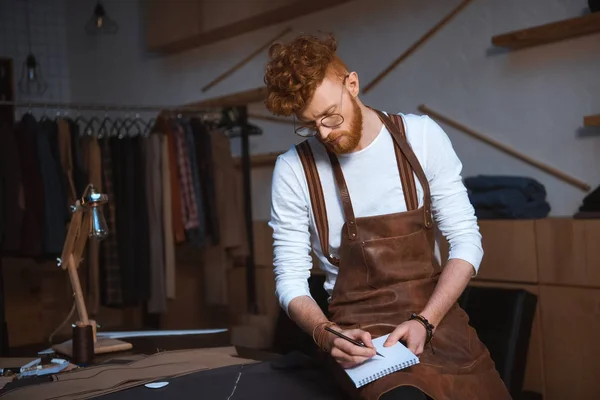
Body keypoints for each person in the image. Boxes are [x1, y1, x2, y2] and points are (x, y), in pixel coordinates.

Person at [264, 33, 512, 400]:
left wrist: (425, 321)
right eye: (309, 125)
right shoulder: (293, 169)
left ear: (353, 84)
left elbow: (466, 243)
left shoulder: (422, 137)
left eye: (331, 116)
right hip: (361, 340)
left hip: (439, 320)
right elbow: (290, 280)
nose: (324, 134)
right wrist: (325, 332)